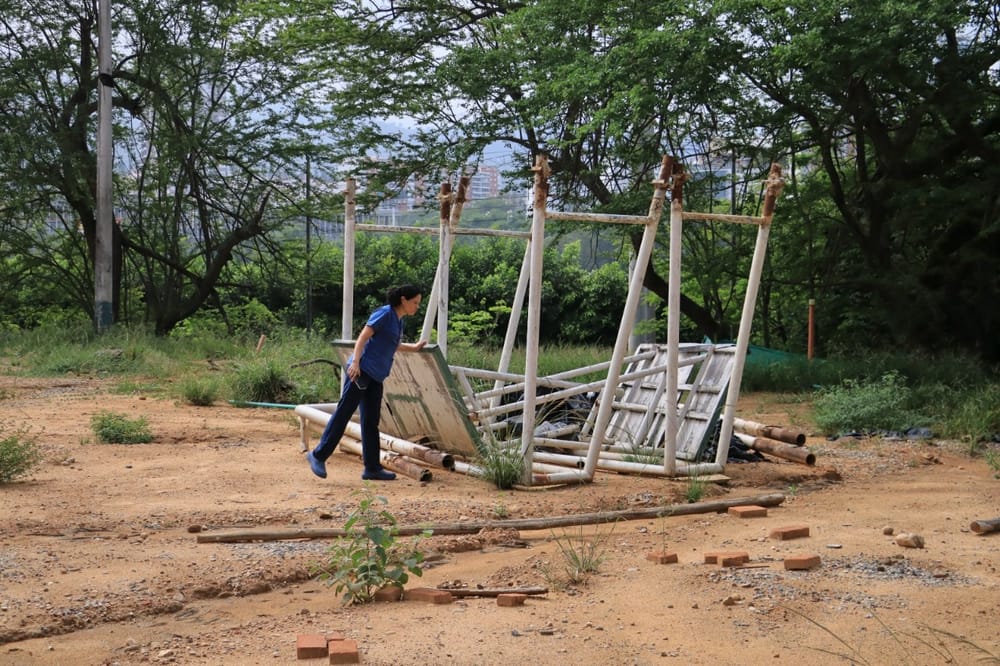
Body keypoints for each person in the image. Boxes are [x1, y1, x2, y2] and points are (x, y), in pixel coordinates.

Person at [307, 284, 427, 481]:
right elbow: (363, 337)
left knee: (371, 421)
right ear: (403, 300)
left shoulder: (398, 321)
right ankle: (318, 455)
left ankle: (372, 468)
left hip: (376, 376)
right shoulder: (384, 314)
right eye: (415, 302)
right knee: (344, 413)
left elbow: (393, 344)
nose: (417, 307)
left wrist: (413, 348)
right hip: (361, 371)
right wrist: (355, 362)